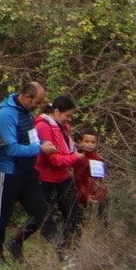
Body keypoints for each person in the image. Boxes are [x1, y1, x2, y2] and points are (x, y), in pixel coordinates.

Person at [0, 78, 49, 262]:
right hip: (8, 172)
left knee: (42, 211)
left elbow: (32, 140)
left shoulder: (28, 114)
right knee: (2, 217)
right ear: (26, 97)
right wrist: (39, 148)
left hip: (28, 171)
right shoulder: (6, 115)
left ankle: (16, 242)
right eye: (37, 102)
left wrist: (41, 144)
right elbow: (11, 148)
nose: (38, 106)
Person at [35, 95, 83, 253]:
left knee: (74, 214)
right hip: (46, 178)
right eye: (67, 115)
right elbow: (53, 159)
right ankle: (17, 242)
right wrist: (74, 157)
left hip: (63, 176)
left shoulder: (62, 126)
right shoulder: (43, 127)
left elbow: (65, 149)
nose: (69, 119)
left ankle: (73, 249)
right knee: (41, 217)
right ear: (56, 112)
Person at [72, 128, 108, 242]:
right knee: (79, 223)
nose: (89, 145)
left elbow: (101, 180)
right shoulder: (79, 158)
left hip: (98, 196)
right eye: (87, 142)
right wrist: (85, 196)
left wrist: (101, 194)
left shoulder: (98, 159)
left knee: (102, 221)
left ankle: (100, 240)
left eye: (92, 142)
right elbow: (78, 180)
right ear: (81, 142)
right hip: (82, 197)